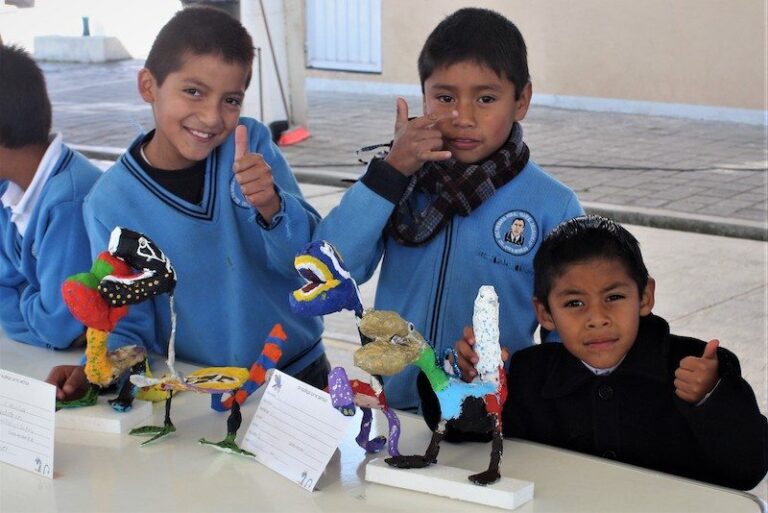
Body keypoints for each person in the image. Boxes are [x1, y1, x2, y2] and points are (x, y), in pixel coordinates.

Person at [46, 7, 328, 401]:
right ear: (148, 85)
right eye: (193, 91)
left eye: (231, 100)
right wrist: (97, 368)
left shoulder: (252, 148)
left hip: (299, 372)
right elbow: (129, 320)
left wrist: (272, 206)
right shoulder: (109, 203)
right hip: (198, 388)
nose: (212, 117)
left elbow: (310, 265)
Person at [315, 8, 583, 410]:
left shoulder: (552, 205)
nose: (462, 117)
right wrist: (390, 176)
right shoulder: (399, 182)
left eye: (486, 98)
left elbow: (568, 330)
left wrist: (538, 402)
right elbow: (328, 272)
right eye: (444, 97)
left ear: (521, 100)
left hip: (494, 415)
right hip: (399, 410)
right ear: (424, 96)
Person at [499, 215, 767, 490]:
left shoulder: (699, 367)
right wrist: (471, 384)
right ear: (545, 313)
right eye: (575, 302)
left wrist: (710, 397)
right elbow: (481, 445)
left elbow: (748, 470)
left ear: (644, 296)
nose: (597, 318)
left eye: (614, 297)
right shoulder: (531, 373)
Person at [0, 44, 102, 349]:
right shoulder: (8, 189)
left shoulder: (68, 203)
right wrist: (35, 296)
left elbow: (61, 326)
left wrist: (22, 296)